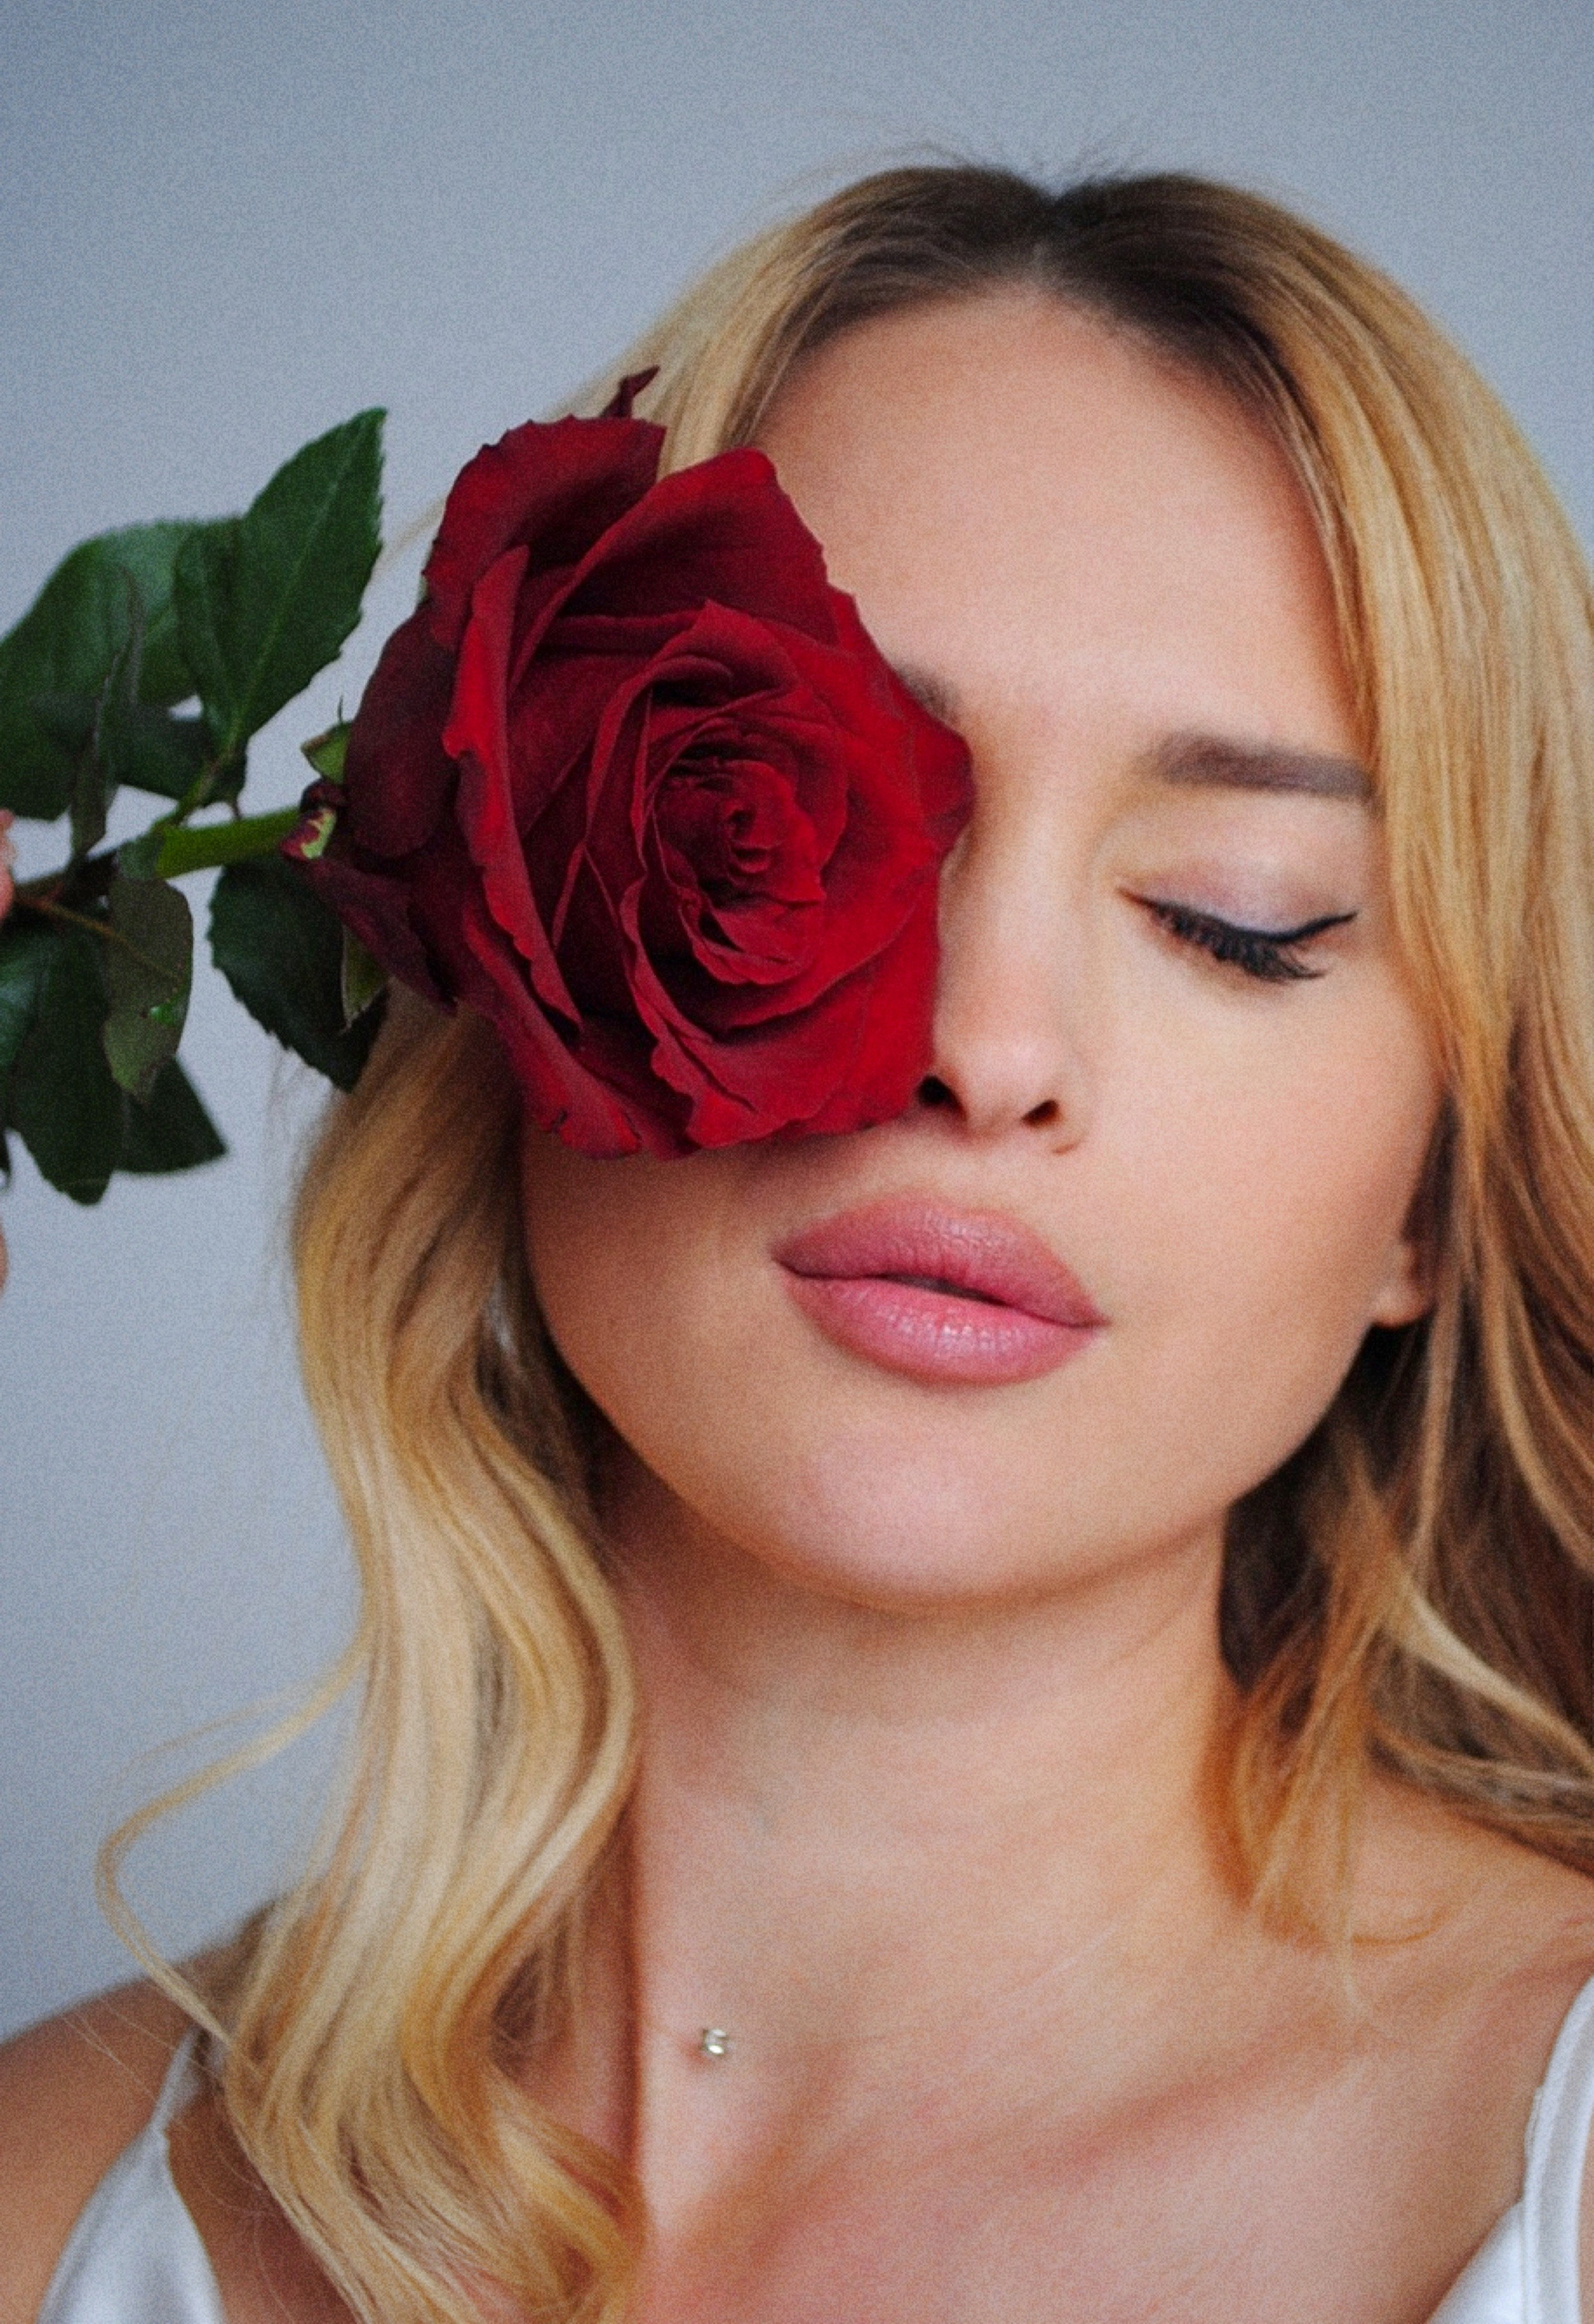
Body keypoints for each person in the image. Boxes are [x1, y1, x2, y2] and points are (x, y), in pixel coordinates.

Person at [1, 163, 1592, 2324]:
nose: (984, 1046)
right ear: (508, 936)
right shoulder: (48, 2205)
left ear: (1431, 1189)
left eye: (1240, 919)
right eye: (846, 819)